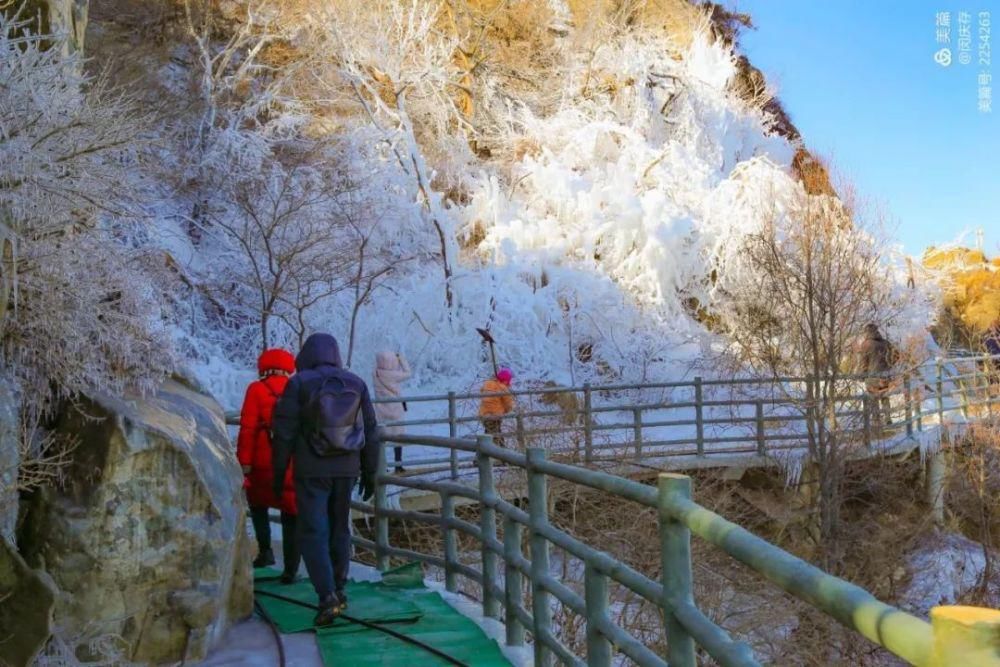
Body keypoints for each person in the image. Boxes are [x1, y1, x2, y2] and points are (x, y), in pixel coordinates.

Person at [271, 333, 379, 626]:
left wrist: (278, 474)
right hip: (347, 467)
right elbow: (371, 429)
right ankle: (340, 588)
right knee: (339, 527)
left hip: (311, 468)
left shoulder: (298, 383)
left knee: (313, 530)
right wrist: (371, 471)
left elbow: (284, 433)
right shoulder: (356, 383)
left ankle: (326, 595)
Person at [236, 348, 300, 583]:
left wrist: (244, 463)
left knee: (258, 505)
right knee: (291, 511)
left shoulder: (256, 389)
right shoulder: (297, 388)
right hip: (291, 461)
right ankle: (291, 568)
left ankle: (266, 552)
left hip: (262, 462)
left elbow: (247, 429)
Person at [373, 351, 412, 473]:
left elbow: (379, 362)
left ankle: (382, 465)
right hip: (395, 409)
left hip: (380, 409)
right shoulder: (392, 375)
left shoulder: (375, 373)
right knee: (398, 438)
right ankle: (398, 465)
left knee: (382, 438)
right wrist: (401, 359)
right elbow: (408, 373)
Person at [857, 323, 896, 426]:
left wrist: (861, 376)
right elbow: (896, 355)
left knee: (873, 398)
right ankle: (888, 419)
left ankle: (876, 420)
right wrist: (889, 366)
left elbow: (863, 363)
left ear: (867, 332)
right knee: (884, 396)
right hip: (885, 376)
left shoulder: (866, 344)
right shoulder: (886, 343)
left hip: (872, 377)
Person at [479, 367, 515, 447]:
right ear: (506, 381)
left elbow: (481, 391)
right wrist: (506, 410)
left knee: (491, 433)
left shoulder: (487, 383)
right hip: (495, 415)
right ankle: (496, 453)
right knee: (494, 435)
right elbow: (508, 403)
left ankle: (502, 451)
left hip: (484, 414)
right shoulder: (503, 388)